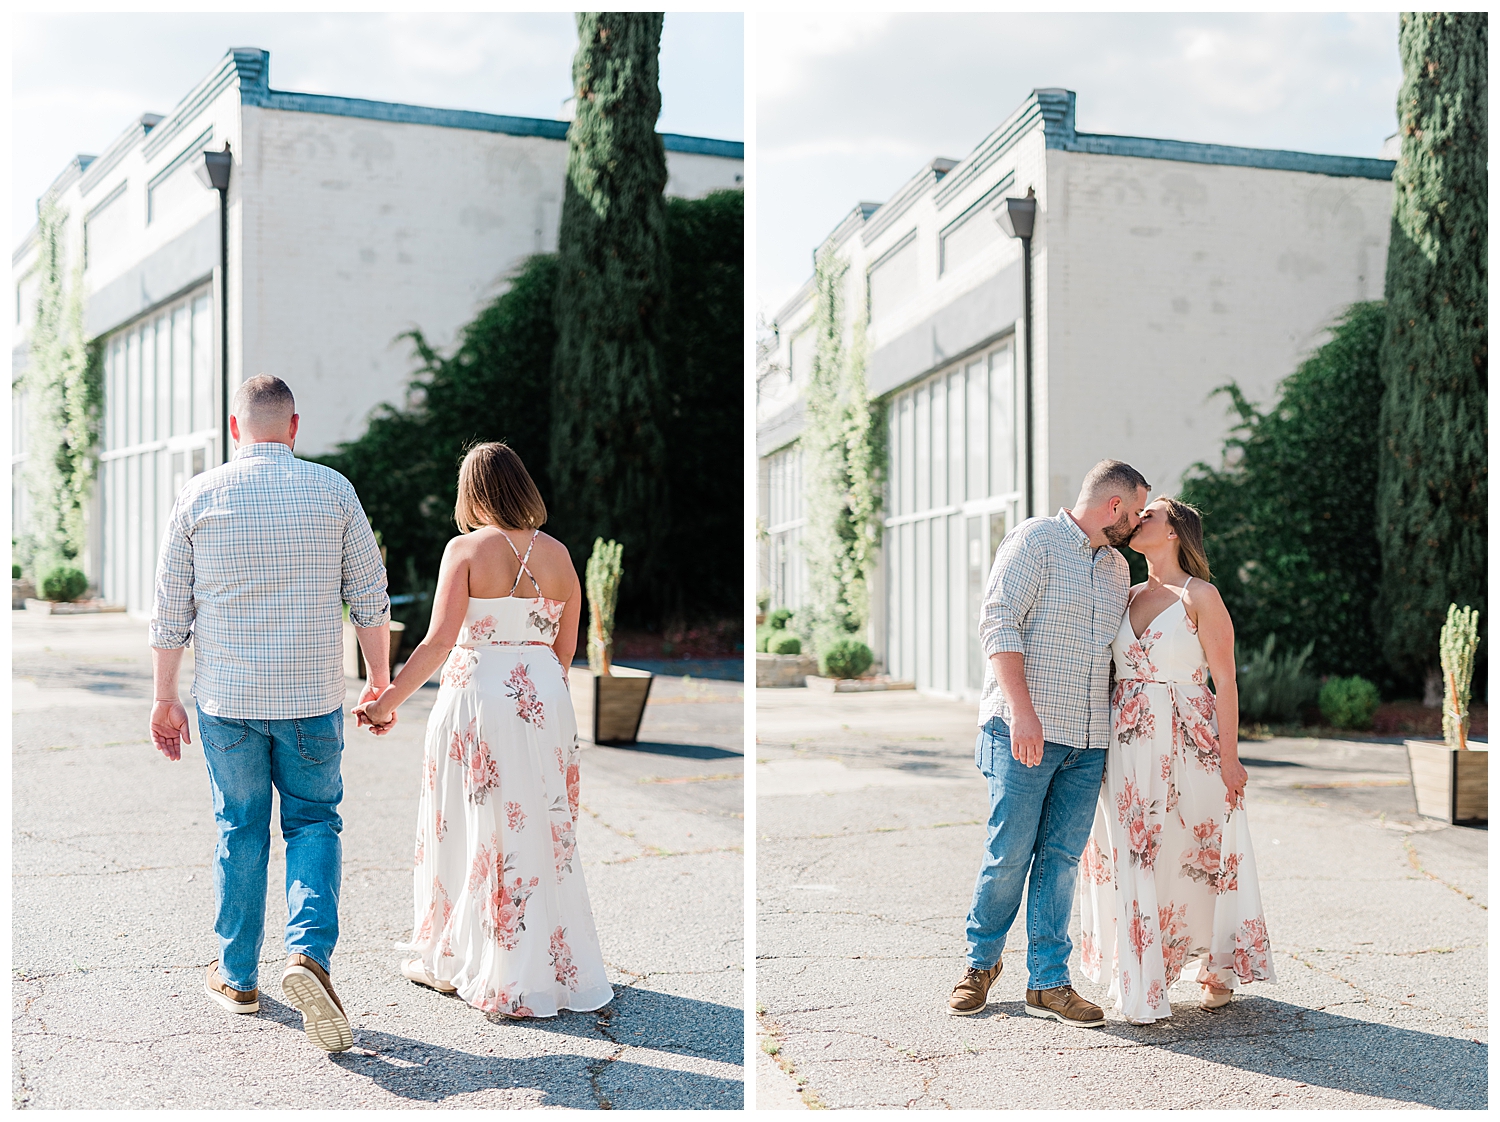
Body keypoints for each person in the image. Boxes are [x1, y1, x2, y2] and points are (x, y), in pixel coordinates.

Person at [150, 374, 393, 1054]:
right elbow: (369, 595)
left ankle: (237, 978)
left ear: (235, 429)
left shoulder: (200, 494)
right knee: (313, 822)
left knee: (240, 826)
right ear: (294, 426)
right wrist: (379, 681)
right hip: (312, 700)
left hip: (228, 702)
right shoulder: (332, 489)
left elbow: (170, 607)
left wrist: (164, 696)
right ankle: (308, 954)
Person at [354, 442, 612, 1019]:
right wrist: (536, 686)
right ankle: (543, 963)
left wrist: (385, 702)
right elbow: (564, 650)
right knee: (540, 824)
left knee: (473, 823)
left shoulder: (465, 550)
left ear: (473, 493)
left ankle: (461, 955)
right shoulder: (560, 555)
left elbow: (438, 641)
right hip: (544, 698)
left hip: (478, 698)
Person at [947, 460, 1150, 1026]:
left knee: (1060, 863)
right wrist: (1022, 712)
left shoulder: (1116, 569)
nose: (1137, 524)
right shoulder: (1035, 540)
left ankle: (1048, 983)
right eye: (1135, 513)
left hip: (1088, 742)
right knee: (1009, 855)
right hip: (1024, 731)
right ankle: (980, 964)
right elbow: (998, 623)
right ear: (1113, 505)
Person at [1077, 498, 1275, 1023]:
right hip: (1128, 743)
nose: (1137, 518)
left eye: (1150, 515)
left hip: (1191, 741)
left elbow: (1225, 680)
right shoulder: (1124, 593)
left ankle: (1216, 967)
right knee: (1133, 853)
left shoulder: (1200, 595)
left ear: (1173, 533)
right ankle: (1142, 976)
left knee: (1197, 852)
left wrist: (1230, 758)